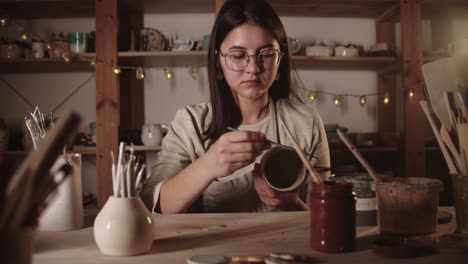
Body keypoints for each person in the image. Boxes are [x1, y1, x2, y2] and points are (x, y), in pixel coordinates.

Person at [141, 0, 330, 213]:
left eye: (266, 55)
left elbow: (325, 215)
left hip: (286, 246)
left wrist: (289, 203)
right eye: (238, 56)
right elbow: (149, 206)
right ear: (217, 60)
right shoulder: (191, 122)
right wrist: (208, 165)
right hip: (212, 246)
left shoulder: (305, 122)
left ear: (281, 57)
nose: (253, 68)